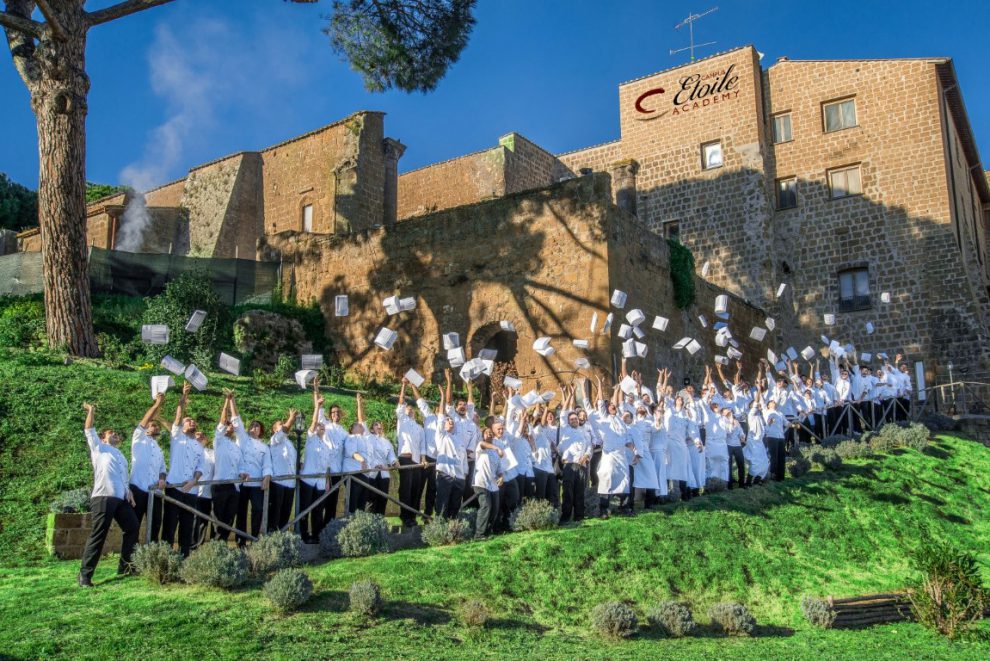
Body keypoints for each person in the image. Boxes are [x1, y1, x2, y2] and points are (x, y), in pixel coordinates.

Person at [78, 402, 139, 588]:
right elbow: (89, 429)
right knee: (99, 534)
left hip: (121, 499)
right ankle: (85, 576)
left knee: (133, 527)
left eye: (116, 433)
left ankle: (125, 566)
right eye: (110, 432)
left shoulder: (120, 455)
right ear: (103, 438)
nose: (115, 434)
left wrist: (129, 492)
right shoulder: (99, 448)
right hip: (103, 497)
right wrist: (91, 411)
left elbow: (123, 477)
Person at [163, 382, 205, 557]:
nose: (192, 422)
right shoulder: (177, 436)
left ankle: (184, 556)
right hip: (174, 487)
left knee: (187, 525)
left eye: (193, 421)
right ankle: (164, 556)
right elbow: (179, 417)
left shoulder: (199, 445)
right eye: (189, 420)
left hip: (191, 489)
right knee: (170, 524)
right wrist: (183, 397)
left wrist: (194, 481)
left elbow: (200, 467)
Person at [229, 393, 273, 545]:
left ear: (261, 431)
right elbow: (236, 420)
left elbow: (267, 465)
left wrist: (267, 477)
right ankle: (240, 541)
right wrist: (231, 400)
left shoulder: (264, 447)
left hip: (256, 484)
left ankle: (254, 538)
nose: (254, 428)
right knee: (240, 512)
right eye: (252, 426)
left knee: (258, 510)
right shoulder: (243, 438)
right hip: (241, 483)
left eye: (257, 426)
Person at [129, 393, 167, 543]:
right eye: (153, 425)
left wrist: (162, 479)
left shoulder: (158, 448)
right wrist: (157, 405)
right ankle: (131, 558)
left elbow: (163, 469)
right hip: (138, 488)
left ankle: (152, 556)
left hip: (155, 491)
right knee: (134, 524)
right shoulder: (138, 438)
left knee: (156, 525)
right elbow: (144, 421)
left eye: (156, 425)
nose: (155, 426)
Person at [595, 381, 636, 518]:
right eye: (610, 406)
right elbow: (601, 401)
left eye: (613, 406)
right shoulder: (604, 418)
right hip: (609, 456)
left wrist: (630, 445)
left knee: (624, 480)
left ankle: (624, 508)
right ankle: (603, 510)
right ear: (607, 409)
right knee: (606, 479)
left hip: (621, 455)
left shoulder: (620, 421)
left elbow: (625, 439)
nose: (612, 407)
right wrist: (600, 385)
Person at [300, 388, 334, 543]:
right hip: (308, 479)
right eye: (319, 426)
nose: (321, 427)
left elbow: (327, 466)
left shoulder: (327, 446)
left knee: (318, 509)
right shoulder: (311, 439)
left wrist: (327, 481)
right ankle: (303, 535)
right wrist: (317, 407)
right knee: (305, 509)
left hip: (321, 481)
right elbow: (314, 422)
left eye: (323, 426)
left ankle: (317, 535)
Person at [211, 392, 243, 542]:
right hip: (220, 484)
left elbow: (239, 466)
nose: (230, 426)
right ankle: (215, 546)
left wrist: (242, 474)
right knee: (218, 518)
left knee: (229, 518)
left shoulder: (236, 446)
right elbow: (223, 420)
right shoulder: (219, 440)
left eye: (231, 424)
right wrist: (227, 401)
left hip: (234, 486)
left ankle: (222, 544)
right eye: (228, 424)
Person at [557, 388, 591, 523]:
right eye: (571, 419)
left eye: (575, 418)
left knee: (579, 492)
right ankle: (565, 517)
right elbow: (564, 412)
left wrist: (586, 457)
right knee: (568, 493)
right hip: (569, 465)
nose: (574, 420)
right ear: (568, 421)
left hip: (581, 464)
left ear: (579, 420)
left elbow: (589, 446)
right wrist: (570, 395)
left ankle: (579, 516)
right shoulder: (565, 429)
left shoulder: (584, 432)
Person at [396, 378, 426, 527]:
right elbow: (401, 403)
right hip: (406, 458)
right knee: (405, 489)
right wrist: (404, 386)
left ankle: (412, 516)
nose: (409, 409)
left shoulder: (419, 428)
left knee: (416, 489)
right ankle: (405, 516)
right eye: (407, 408)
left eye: (411, 408)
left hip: (417, 461)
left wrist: (423, 458)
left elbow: (423, 446)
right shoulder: (402, 421)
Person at [268, 408, 300, 531]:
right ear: (275, 430)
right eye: (280, 425)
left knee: (286, 513)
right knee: (275, 512)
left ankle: (283, 538)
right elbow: (285, 430)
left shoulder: (290, 444)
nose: (284, 426)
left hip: (290, 483)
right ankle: (272, 538)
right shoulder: (275, 439)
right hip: (278, 482)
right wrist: (291, 418)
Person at [342, 393, 373, 513]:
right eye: (358, 425)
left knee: (362, 501)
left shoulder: (364, 437)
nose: (362, 426)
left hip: (364, 473)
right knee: (352, 500)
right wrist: (362, 460)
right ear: (353, 429)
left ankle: (359, 524)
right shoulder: (351, 437)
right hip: (353, 473)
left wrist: (359, 403)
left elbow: (362, 419)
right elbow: (352, 452)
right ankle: (349, 522)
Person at [472, 427, 504, 539]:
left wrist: (501, 477)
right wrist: (496, 447)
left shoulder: (495, 454)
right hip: (481, 482)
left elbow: (499, 470)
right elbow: (482, 444)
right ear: (483, 435)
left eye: (491, 433)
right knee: (486, 507)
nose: (489, 434)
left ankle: (487, 532)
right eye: (487, 433)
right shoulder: (480, 447)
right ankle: (479, 534)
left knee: (494, 509)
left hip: (493, 485)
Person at [366, 419, 398, 516]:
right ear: (372, 428)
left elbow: (391, 456)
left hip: (384, 473)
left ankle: (380, 522)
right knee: (371, 498)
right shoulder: (367, 438)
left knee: (383, 498)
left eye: (380, 425)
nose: (379, 426)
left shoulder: (387, 442)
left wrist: (394, 462)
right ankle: (369, 522)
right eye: (376, 425)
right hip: (371, 472)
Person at [192, 426, 214, 549]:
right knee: (195, 519)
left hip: (210, 492)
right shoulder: (191, 451)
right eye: (197, 435)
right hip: (195, 491)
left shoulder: (211, 452)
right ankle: (193, 546)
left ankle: (208, 546)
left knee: (205, 522)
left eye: (202, 435)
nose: (200, 437)